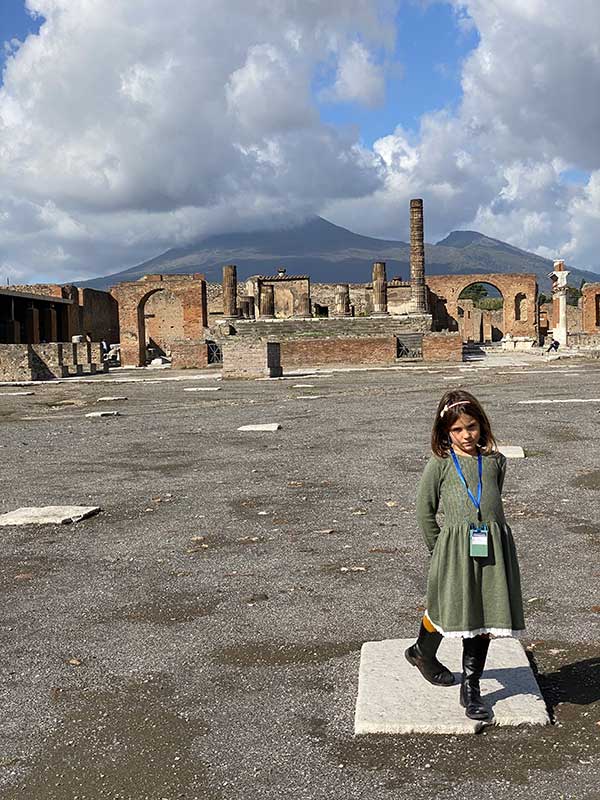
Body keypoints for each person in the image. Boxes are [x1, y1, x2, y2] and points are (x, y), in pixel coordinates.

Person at [405, 389, 524, 721]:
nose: (466, 435)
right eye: (457, 430)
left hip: (491, 549)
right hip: (454, 550)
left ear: (481, 425)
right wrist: (437, 548)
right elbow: (423, 510)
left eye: (471, 427)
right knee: (448, 607)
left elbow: (491, 497)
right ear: (446, 433)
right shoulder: (440, 464)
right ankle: (422, 652)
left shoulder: (495, 462)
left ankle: (470, 688)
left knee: (482, 616)